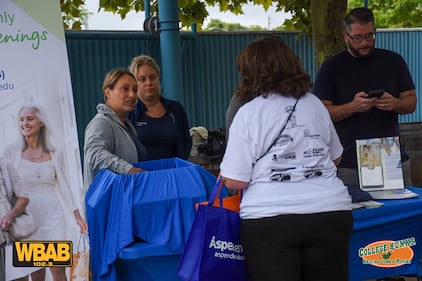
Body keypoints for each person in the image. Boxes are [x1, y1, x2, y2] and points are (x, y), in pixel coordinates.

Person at [220, 36, 353, 281]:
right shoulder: (314, 104)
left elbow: (235, 181)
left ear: (251, 73)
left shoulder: (248, 113)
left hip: (270, 220)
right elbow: (336, 157)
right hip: (330, 212)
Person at [312, 7, 417, 187]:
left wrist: (395, 103)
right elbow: (319, 113)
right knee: (357, 214)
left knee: (401, 211)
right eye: (357, 38)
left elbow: (411, 102)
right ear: (346, 36)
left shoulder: (393, 61)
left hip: (390, 155)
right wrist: (353, 107)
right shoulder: (331, 68)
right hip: (349, 161)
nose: (364, 43)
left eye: (369, 36)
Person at [3, 104, 88, 281]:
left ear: (41, 122)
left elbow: (65, 185)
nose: (25, 123)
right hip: (27, 219)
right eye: (21, 119)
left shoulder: (55, 152)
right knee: (36, 271)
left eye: (29, 118)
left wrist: (77, 216)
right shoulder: (12, 154)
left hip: (53, 215)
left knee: (58, 268)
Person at [83, 67, 147, 191]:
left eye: (135, 90)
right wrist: (128, 169)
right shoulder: (101, 122)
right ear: (107, 93)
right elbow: (94, 153)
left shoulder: (126, 126)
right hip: (109, 206)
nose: (132, 95)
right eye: (125, 89)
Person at [128, 55, 192, 161]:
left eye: (152, 78)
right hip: (140, 173)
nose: (148, 83)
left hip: (171, 172)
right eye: (142, 79)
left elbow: (186, 142)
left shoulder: (176, 109)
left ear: (159, 78)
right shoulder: (129, 112)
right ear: (135, 83)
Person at [1, 157, 29, 280]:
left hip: (9, 237)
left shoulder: (5, 165)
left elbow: (24, 197)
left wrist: (10, 215)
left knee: (18, 277)